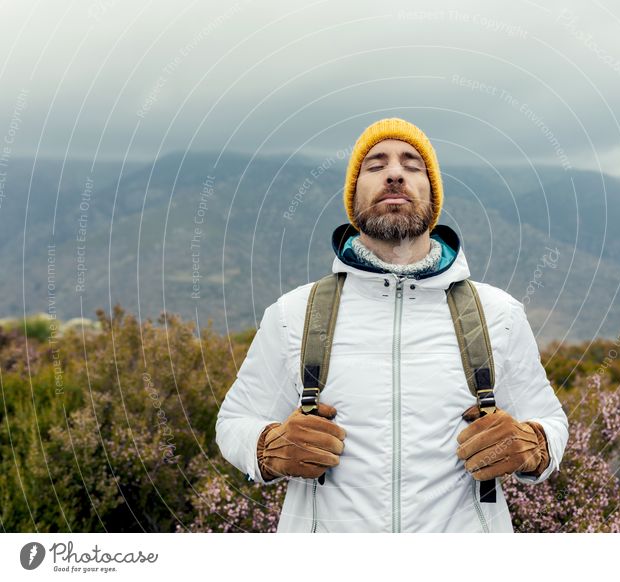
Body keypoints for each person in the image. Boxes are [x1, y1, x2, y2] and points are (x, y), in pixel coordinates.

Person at [215, 117, 569, 532]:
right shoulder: (293, 314)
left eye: (412, 165)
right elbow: (234, 421)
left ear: (431, 196)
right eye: (376, 164)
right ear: (354, 194)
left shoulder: (499, 314)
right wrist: (266, 449)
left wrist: (533, 446)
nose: (395, 173)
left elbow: (551, 420)